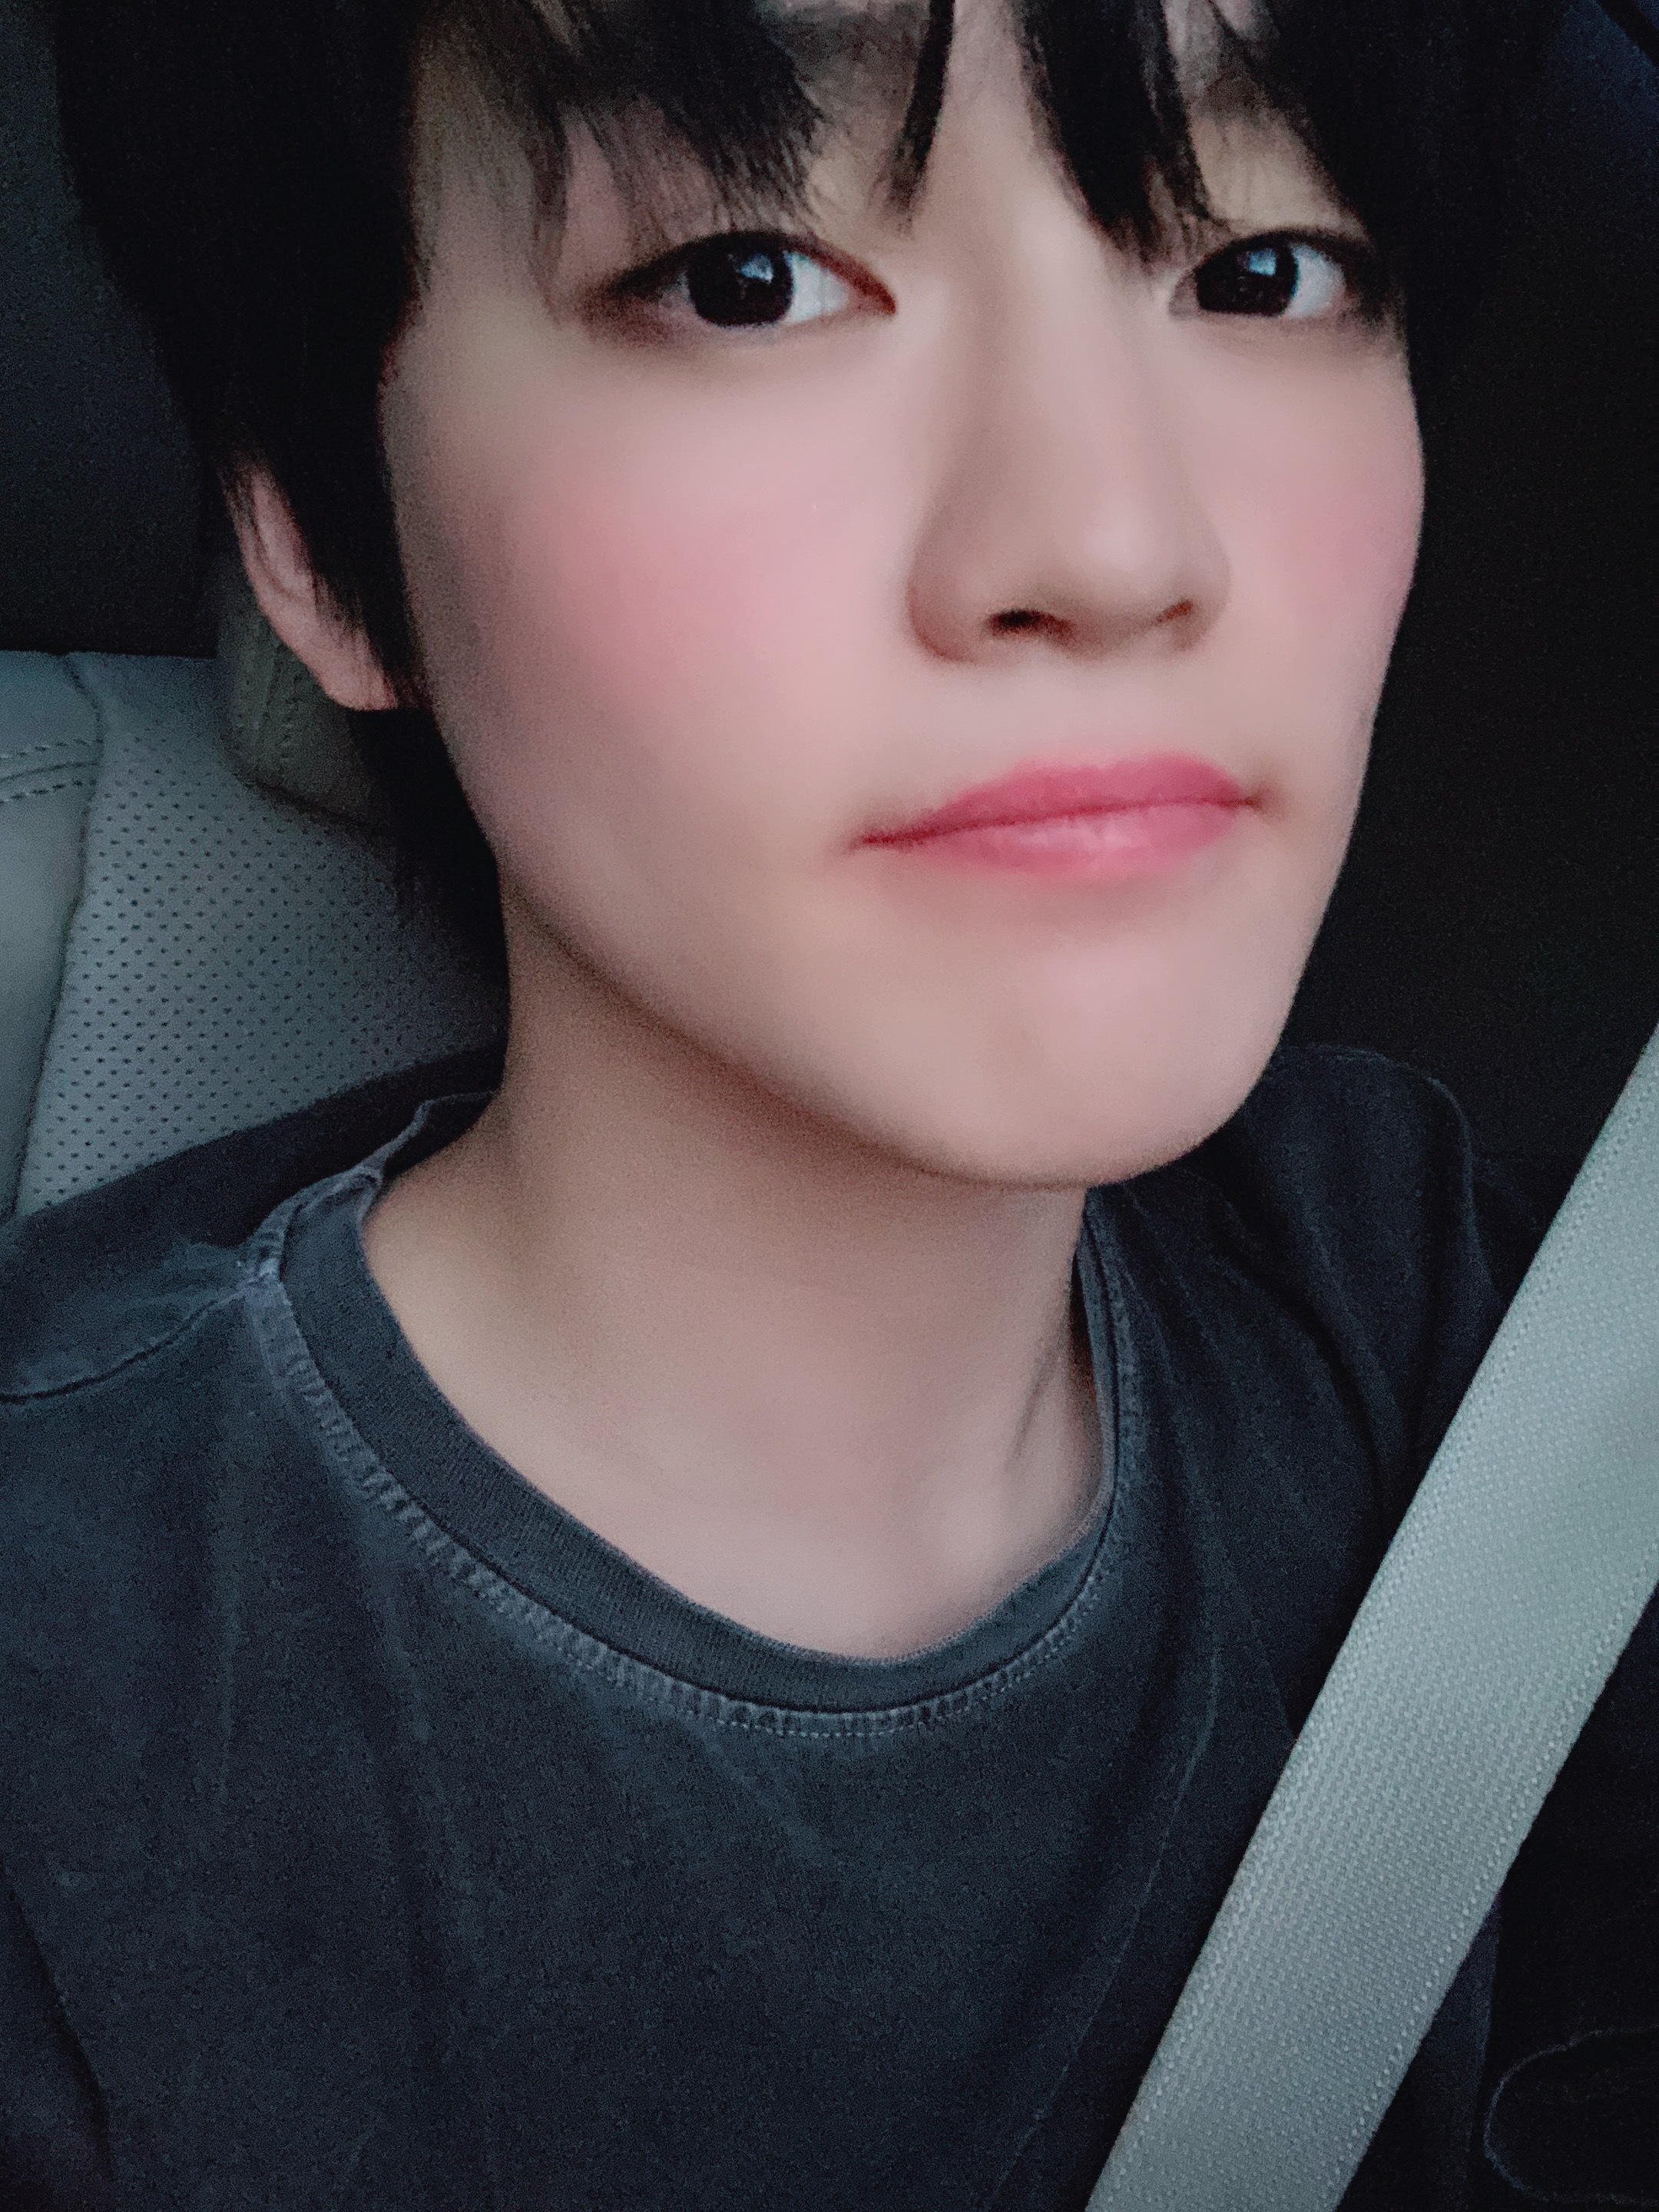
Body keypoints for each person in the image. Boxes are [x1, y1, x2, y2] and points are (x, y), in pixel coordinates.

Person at [2, 0, 1651, 2204]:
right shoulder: (60, 1693)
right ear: (317, 529)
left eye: (1268, 270)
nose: (1111, 543)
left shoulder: (1479, 1343)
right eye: (746, 280)